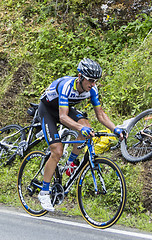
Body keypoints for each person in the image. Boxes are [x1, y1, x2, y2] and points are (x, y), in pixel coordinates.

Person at [37, 58, 126, 211]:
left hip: (65, 109)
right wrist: (79, 127)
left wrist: (115, 129)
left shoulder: (92, 90)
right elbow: (63, 117)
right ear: (80, 77)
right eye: (90, 80)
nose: (93, 84)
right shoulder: (66, 86)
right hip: (48, 110)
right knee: (57, 151)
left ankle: (70, 163)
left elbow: (101, 115)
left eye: (96, 81)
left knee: (87, 128)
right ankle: (44, 192)